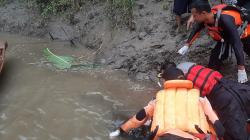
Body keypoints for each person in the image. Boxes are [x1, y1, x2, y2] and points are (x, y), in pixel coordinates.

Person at [109, 64, 223, 140]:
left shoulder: (158, 100)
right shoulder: (199, 98)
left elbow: (138, 118)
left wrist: (121, 130)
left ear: (167, 82)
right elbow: (215, 124)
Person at [160, 61, 250, 140]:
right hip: (234, 86)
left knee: (235, 136)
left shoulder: (180, 84)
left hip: (224, 99)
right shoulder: (186, 65)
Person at [178, 1, 250, 83]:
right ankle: (211, 77)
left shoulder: (225, 19)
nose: (193, 18)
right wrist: (187, 44)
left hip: (243, 33)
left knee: (246, 47)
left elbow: (237, 43)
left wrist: (241, 68)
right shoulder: (205, 18)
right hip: (224, 36)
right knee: (214, 59)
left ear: (203, 13)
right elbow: (196, 29)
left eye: (194, 16)